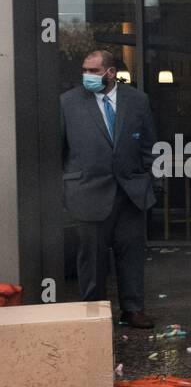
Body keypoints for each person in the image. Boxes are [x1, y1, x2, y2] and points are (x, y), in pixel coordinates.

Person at [59, 49, 160, 328]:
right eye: (85, 70)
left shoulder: (137, 100)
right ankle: (94, 314)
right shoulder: (68, 102)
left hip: (130, 192)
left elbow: (149, 144)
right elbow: (58, 149)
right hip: (87, 192)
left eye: (93, 71)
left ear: (111, 73)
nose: (87, 76)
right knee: (91, 258)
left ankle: (133, 309)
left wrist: (149, 179)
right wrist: (66, 188)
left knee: (132, 253)